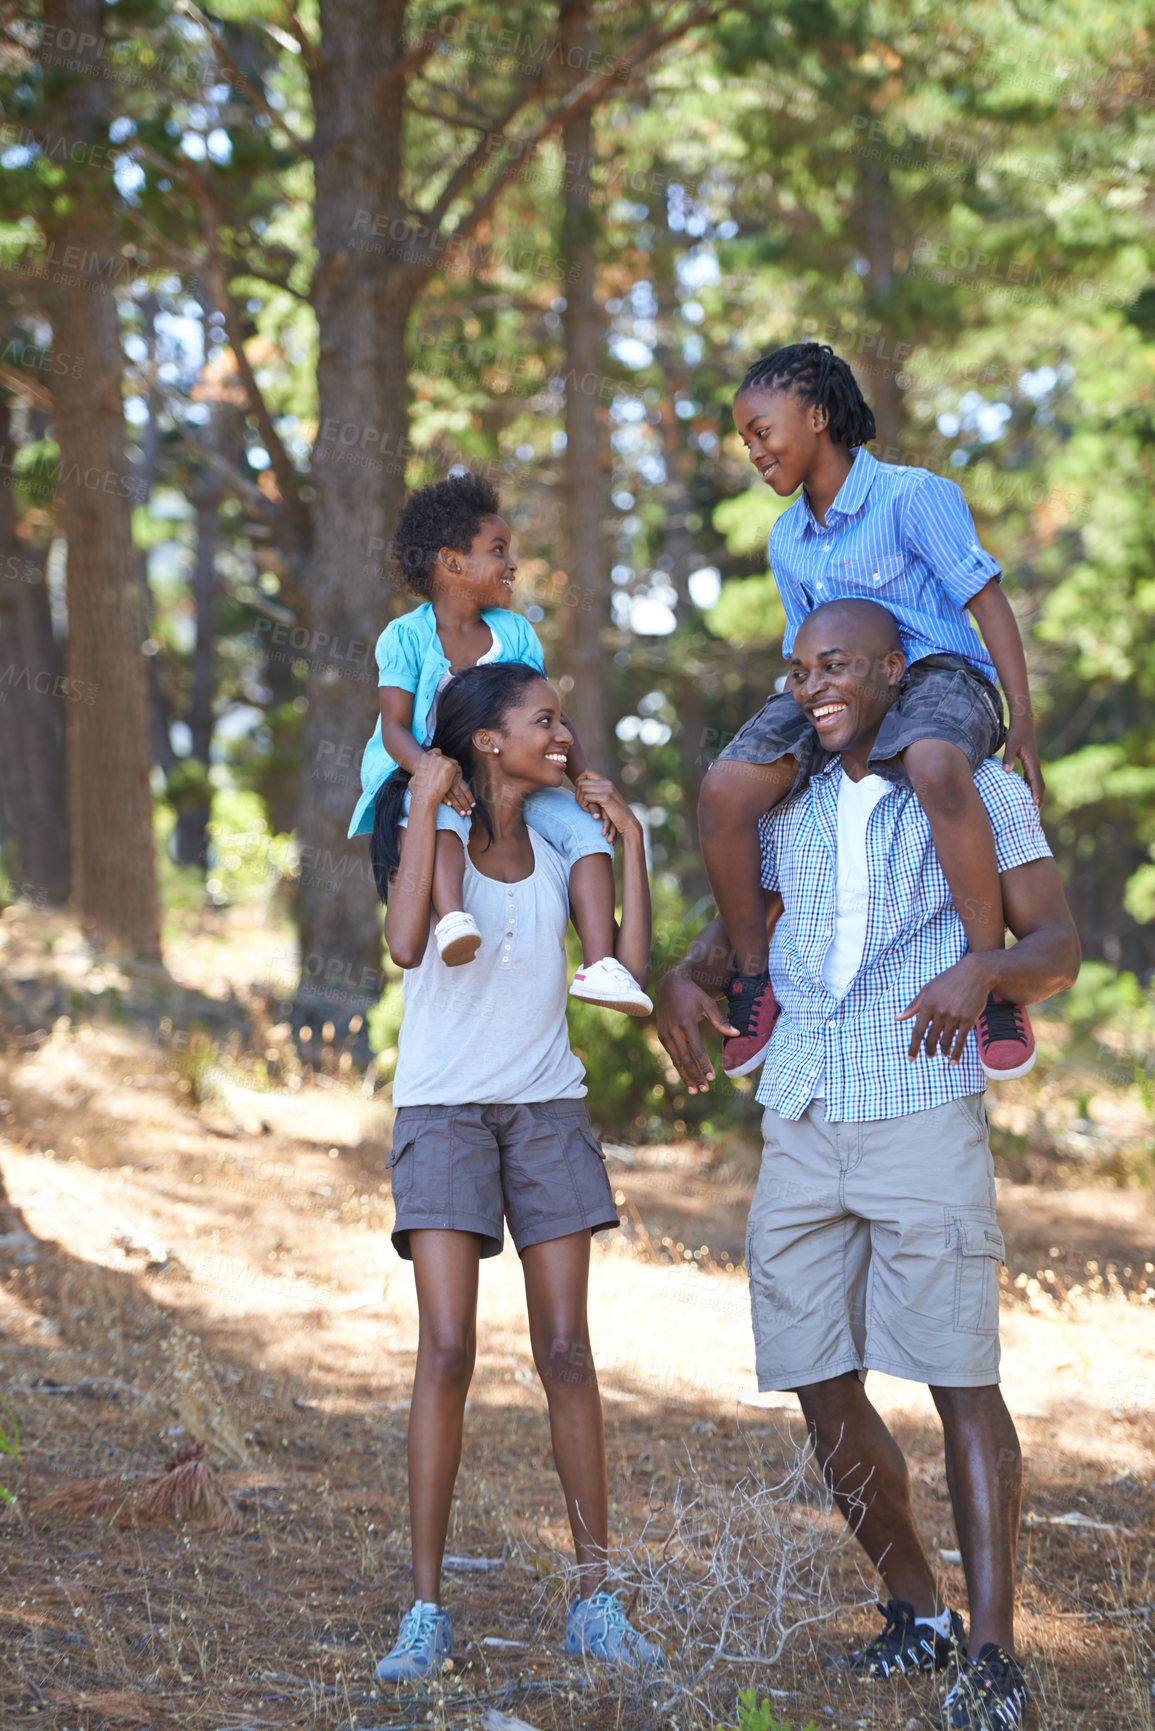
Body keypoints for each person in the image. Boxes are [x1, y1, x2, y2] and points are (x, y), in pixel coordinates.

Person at [658, 600, 1080, 1731]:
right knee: (815, 1376)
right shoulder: (783, 799)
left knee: (959, 1378)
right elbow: (747, 930)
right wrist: (690, 977)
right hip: (802, 1103)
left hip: (919, 1103)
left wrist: (985, 971)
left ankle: (992, 1657)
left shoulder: (974, 787)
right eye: (798, 670)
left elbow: (1057, 947)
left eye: (837, 665)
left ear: (897, 673)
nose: (813, 686)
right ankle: (917, 1612)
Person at [371, 661, 662, 1681]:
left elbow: (625, 960)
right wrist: (418, 805)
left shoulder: (561, 843)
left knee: (569, 1352)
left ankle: (598, 1598)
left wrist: (629, 840)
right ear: (489, 741)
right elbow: (408, 941)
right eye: (546, 719)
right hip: (445, 1109)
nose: (565, 733)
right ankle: (424, 1609)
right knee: (447, 1350)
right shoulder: (444, 836)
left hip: (546, 1107)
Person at [698, 341, 1043, 1082]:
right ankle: (753, 978)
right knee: (725, 788)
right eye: (744, 439)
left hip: (938, 675)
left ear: (817, 416)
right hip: (834, 685)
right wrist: (802, 713)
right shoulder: (786, 537)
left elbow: (985, 599)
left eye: (762, 431)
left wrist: (1022, 716)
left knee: (931, 760)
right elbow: (802, 657)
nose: (752, 451)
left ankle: (991, 982)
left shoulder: (911, 495)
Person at [348, 470, 650, 1015]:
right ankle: (454, 915)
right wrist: (432, 773)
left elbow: (550, 715)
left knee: (585, 833)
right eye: (498, 550)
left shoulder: (514, 633)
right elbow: (394, 725)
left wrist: (581, 777)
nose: (511, 563)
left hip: (509, 772)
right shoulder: (407, 635)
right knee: (441, 818)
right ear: (452, 561)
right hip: (425, 772)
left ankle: (601, 963)